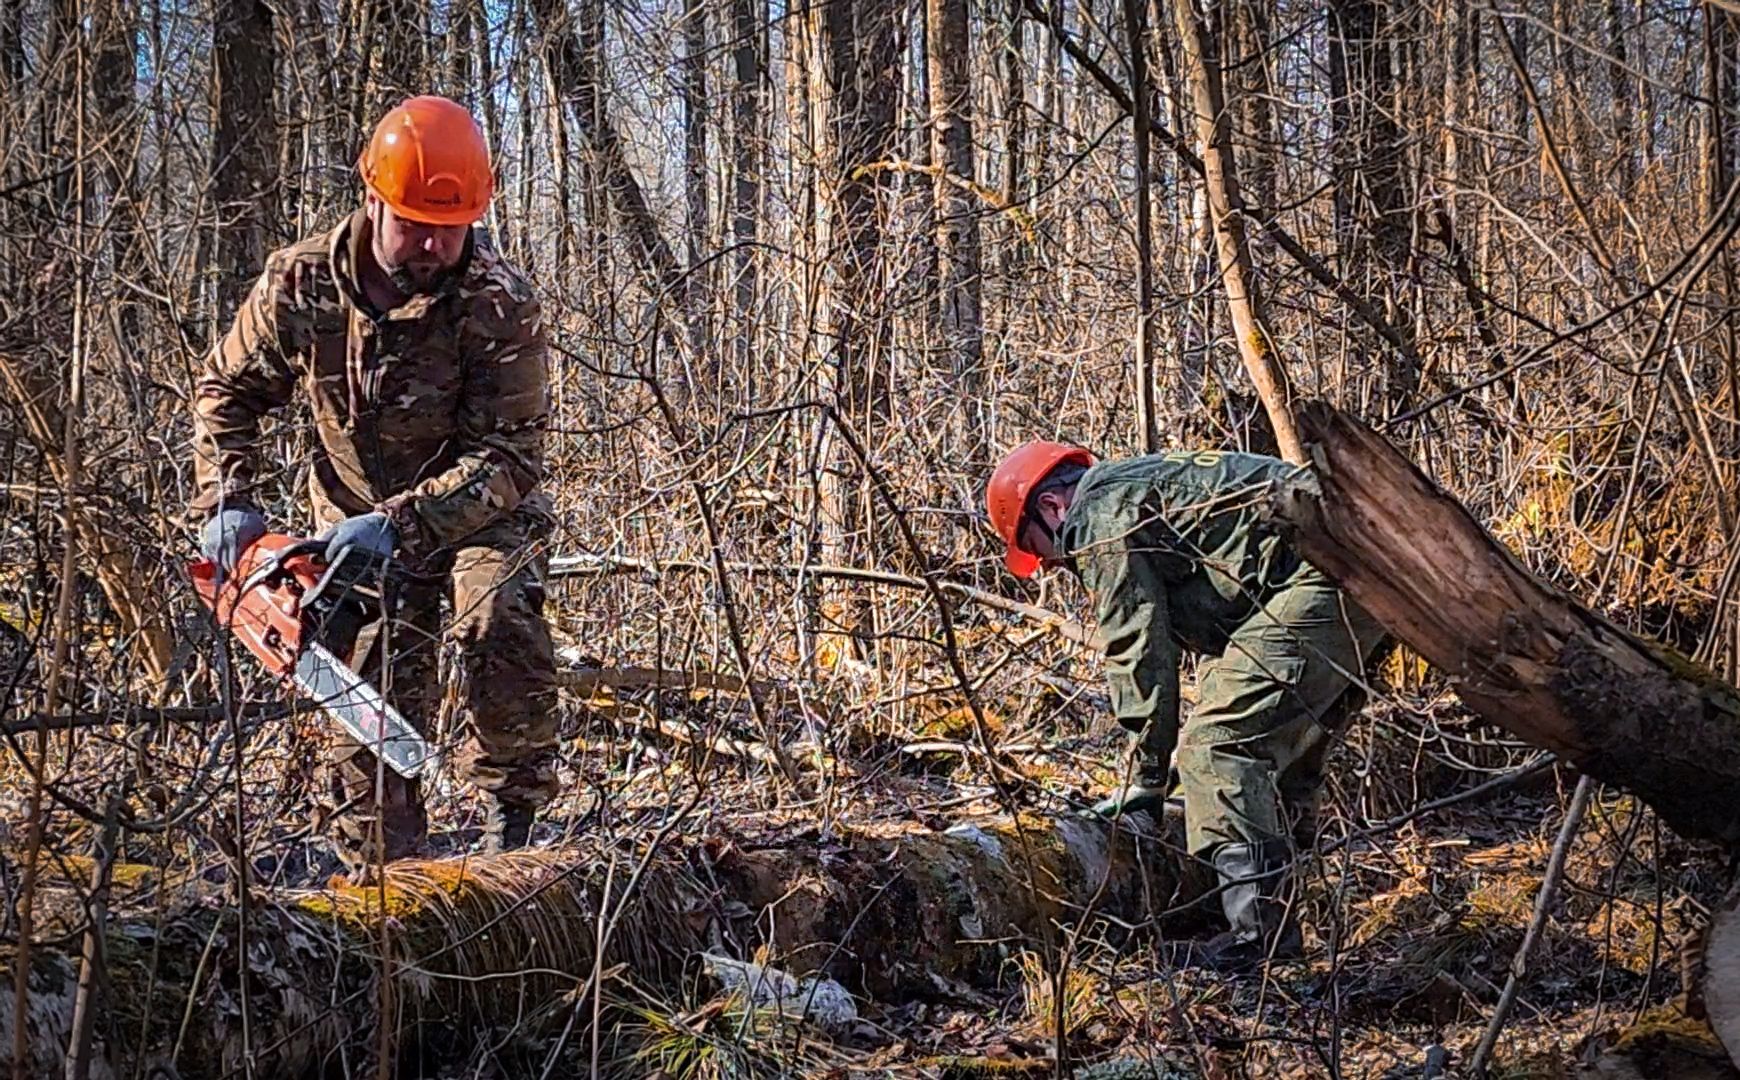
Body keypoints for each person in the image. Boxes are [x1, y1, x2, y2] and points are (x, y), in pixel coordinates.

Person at [189, 95, 558, 869]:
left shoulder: (499, 303)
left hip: (483, 512)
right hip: (349, 528)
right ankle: (383, 887)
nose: (430, 244)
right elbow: (227, 392)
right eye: (414, 222)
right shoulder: (301, 284)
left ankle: (515, 825)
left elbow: (512, 457)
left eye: (448, 228)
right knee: (367, 715)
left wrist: (405, 523)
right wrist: (229, 503)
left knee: (496, 614)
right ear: (372, 198)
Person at [986, 442, 1385, 965]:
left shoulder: (1098, 516)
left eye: (1044, 551)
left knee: (1216, 746)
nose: (1058, 564)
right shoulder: (1137, 484)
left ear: (1051, 509)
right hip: (1370, 563)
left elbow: (1137, 645)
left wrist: (1145, 775)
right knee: (1278, 752)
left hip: (1325, 573)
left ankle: (1260, 946)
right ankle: (1285, 918)